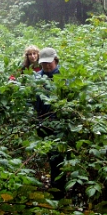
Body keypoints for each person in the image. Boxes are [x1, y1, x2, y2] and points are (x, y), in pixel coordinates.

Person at [34, 47, 66, 199]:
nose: (46, 66)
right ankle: (56, 190)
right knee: (52, 157)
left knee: (57, 157)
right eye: (43, 64)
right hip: (43, 122)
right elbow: (32, 99)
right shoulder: (37, 77)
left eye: (49, 63)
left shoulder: (64, 77)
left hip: (60, 124)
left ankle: (58, 192)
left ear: (56, 60)